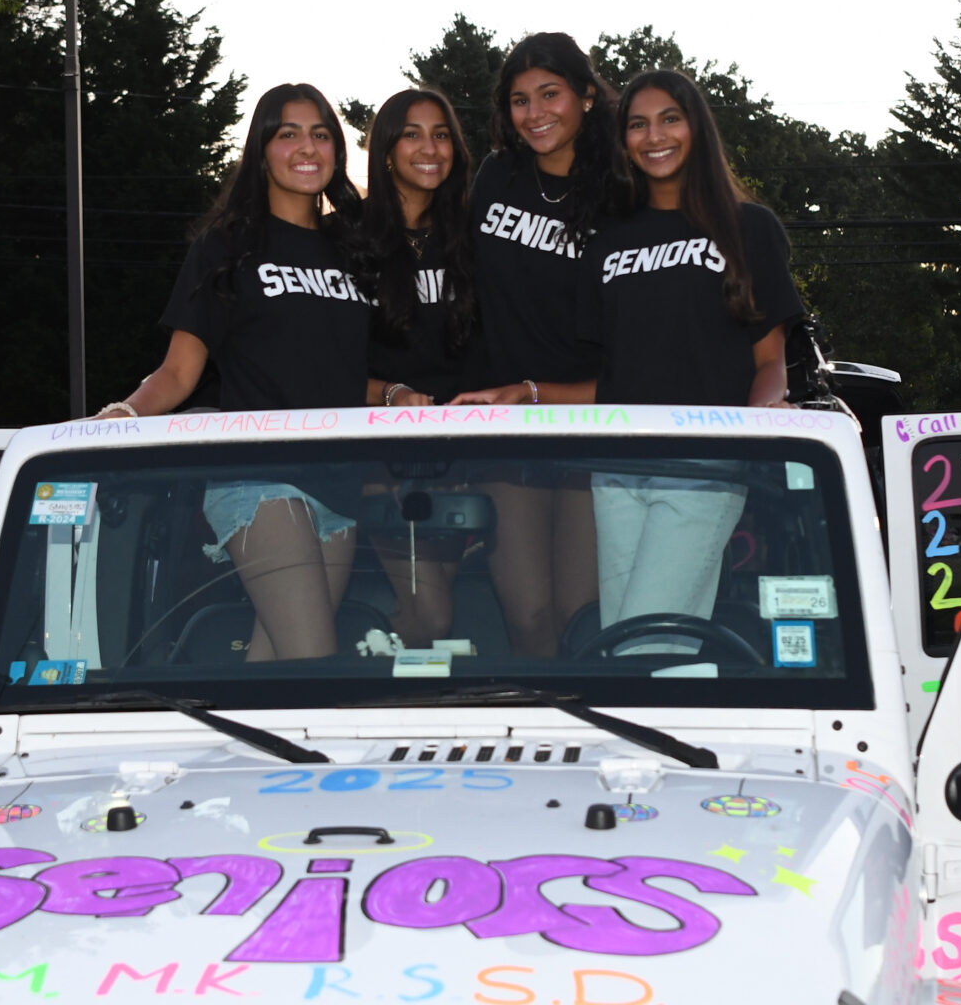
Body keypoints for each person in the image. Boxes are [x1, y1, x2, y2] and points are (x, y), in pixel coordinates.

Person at [100, 84, 375, 660]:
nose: (308, 147)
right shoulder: (227, 247)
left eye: (321, 134)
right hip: (259, 476)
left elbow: (353, 370)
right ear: (262, 151)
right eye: (289, 134)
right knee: (313, 660)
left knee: (275, 662)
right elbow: (179, 372)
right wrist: (122, 414)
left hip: (340, 478)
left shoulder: (354, 249)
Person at [583, 69, 804, 639]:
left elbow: (770, 360)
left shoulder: (748, 226)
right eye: (637, 125)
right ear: (623, 140)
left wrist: (761, 420)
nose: (654, 136)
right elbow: (601, 363)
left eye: (670, 119)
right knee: (626, 635)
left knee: (647, 634)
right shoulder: (607, 234)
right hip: (615, 463)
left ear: (697, 128)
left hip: (702, 465)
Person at [443, 33, 619, 656]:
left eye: (550, 94)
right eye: (520, 100)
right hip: (504, 428)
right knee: (527, 612)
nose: (535, 112)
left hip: (585, 424)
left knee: (578, 616)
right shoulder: (498, 174)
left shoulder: (621, 190)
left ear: (587, 96)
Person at [353, 87, 479, 645]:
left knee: (436, 615)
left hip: (464, 457)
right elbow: (322, 361)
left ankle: (387, 672)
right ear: (385, 150)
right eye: (412, 134)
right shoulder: (349, 239)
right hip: (380, 458)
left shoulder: (471, 237)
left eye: (442, 134)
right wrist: (390, 393)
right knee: (433, 616)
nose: (430, 148)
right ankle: (358, 663)